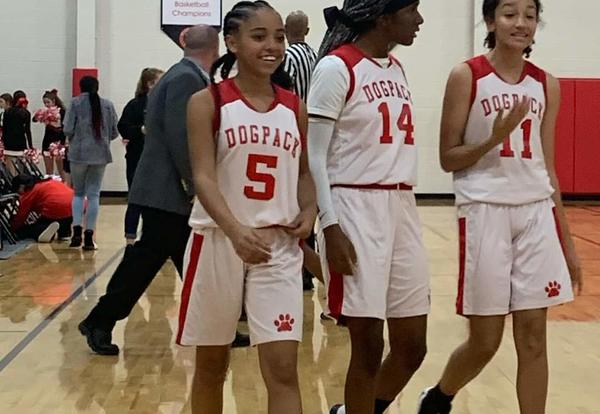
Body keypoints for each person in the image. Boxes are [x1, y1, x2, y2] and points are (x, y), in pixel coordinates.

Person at [417, 1, 583, 413]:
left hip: (535, 213)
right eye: (510, 13)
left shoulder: (546, 84)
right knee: (485, 342)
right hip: (485, 211)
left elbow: (548, 169)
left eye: (530, 14)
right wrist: (495, 138)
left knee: (532, 338)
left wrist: (568, 243)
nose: (521, 23)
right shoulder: (467, 75)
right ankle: (439, 398)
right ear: (490, 21)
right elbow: (448, 158)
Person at [78, 24, 249, 356]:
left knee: (188, 261)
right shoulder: (187, 80)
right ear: (215, 51)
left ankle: (218, 327)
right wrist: (197, 184)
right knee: (148, 260)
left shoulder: (178, 74)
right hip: (169, 191)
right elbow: (182, 137)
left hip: (166, 189)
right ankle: (100, 319)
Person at [180, 3, 316, 413]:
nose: (272, 45)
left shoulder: (295, 107)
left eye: (278, 36)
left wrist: (309, 211)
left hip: (277, 248)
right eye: (259, 37)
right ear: (232, 42)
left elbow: (305, 173)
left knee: (283, 370)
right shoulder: (208, 102)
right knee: (211, 365)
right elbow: (202, 177)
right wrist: (237, 231)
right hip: (219, 240)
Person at [307, 1, 429, 413]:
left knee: (413, 346)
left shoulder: (396, 68)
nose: (419, 19)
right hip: (354, 206)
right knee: (368, 346)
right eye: (411, 10)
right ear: (382, 17)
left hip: (402, 205)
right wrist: (330, 224)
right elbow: (315, 156)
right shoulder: (335, 67)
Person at [63, 76, 119, 250]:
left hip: (79, 153)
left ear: (81, 87)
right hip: (100, 154)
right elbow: (114, 132)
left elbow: (67, 128)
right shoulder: (108, 105)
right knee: (94, 195)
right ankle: (89, 235)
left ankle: (76, 232)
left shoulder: (75, 103)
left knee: (78, 193)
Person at [118, 67, 164, 245]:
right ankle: (130, 238)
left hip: (159, 160)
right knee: (135, 199)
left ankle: (153, 237)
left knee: (157, 201)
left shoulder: (165, 104)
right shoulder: (135, 105)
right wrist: (141, 130)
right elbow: (123, 127)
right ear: (150, 84)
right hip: (137, 158)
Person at [10, 174, 73, 242]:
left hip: (53, 208)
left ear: (21, 186)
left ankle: (42, 230)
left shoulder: (29, 193)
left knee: (29, 229)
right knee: (63, 220)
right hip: (72, 208)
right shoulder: (50, 181)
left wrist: (13, 228)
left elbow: (21, 216)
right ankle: (65, 232)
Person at [283, 10, 318, 102]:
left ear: (285, 28)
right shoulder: (315, 55)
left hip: (294, 113)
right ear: (307, 31)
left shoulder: (288, 55)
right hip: (310, 112)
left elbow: (284, 91)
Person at [33, 89, 67, 179]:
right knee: (49, 170)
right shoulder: (45, 112)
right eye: (44, 103)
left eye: (48, 102)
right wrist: (39, 114)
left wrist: (64, 142)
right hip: (47, 141)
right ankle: (49, 185)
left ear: (54, 101)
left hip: (59, 142)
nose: (46, 105)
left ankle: (64, 186)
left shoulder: (62, 111)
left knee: (61, 169)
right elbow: (34, 119)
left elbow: (65, 128)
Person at [2, 90, 32, 175]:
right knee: (21, 169)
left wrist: (4, 142)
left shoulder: (7, 112)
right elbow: (27, 131)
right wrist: (30, 146)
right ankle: (21, 186)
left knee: (10, 170)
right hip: (20, 143)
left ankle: (12, 185)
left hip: (9, 144)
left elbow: (5, 129)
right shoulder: (26, 113)